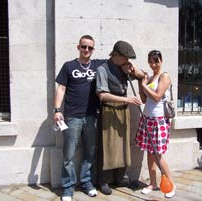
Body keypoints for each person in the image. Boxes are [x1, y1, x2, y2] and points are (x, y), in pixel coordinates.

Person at [53, 35, 105, 201]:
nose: (87, 50)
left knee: (89, 152)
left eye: (90, 47)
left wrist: (134, 69)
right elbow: (61, 88)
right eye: (84, 46)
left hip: (91, 116)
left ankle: (86, 183)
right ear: (78, 47)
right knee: (68, 154)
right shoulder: (69, 66)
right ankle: (68, 188)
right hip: (72, 117)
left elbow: (118, 60)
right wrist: (56, 110)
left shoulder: (97, 65)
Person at [95, 40, 145, 195]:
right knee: (108, 145)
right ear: (116, 55)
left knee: (123, 145)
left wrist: (133, 71)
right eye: (125, 58)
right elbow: (102, 95)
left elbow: (144, 76)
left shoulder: (125, 67)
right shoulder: (102, 69)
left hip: (123, 110)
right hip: (109, 110)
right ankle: (103, 180)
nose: (127, 61)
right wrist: (127, 100)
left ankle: (119, 177)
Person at [135, 50, 176, 198]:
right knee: (149, 154)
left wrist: (145, 85)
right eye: (151, 61)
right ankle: (153, 183)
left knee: (158, 156)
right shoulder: (151, 77)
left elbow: (158, 97)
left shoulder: (164, 76)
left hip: (159, 121)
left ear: (161, 60)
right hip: (147, 119)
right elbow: (145, 100)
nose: (153, 64)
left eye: (156, 61)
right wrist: (141, 83)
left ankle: (171, 184)